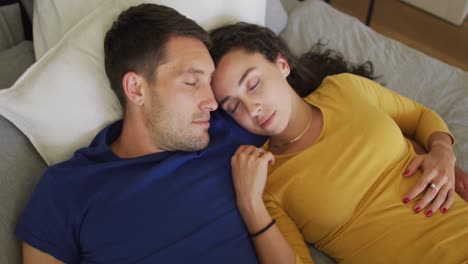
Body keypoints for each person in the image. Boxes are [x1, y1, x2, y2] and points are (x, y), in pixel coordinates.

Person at [14, 5, 265, 263]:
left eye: (209, 83)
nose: (212, 102)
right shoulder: (67, 190)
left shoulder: (231, 130)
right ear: (135, 89)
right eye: (192, 82)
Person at [209, 22, 468, 264]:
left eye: (253, 84)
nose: (252, 108)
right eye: (233, 107)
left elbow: (420, 116)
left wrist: (443, 151)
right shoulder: (266, 178)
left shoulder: (344, 89)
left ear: (282, 64)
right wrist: (249, 203)